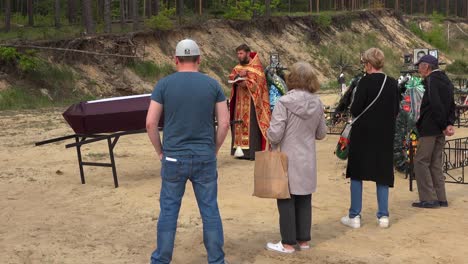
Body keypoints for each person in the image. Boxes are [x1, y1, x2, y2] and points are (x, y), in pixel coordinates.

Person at [146, 39, 230, 264]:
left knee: (169, 211)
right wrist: (214, 149)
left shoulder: (163, 85)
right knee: (210, 209)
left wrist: (160, 152)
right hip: (204, 155)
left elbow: (150, 124)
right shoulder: (213, 85)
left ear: (176, 60)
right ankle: (216, 260)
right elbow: (224, 124)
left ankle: (161, 260)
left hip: (173, 156)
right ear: (199, 60)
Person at [265, 62, 327, 253]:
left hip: (286, 157)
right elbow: (321, 133)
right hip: (307, 158)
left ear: (291, 78)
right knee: (304, 198)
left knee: (286, 199)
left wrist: (268, 133)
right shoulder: (317, 103)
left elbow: (275, 134)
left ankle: (287, 243)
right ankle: (303, 241)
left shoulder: (284, 102)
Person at [340, 48, 399, 229]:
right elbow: (396, 110)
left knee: (357, 174)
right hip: (384, 134)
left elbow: (356, 109)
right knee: (382, 174)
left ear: (368, 64)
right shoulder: (392, 83)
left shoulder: (364, 82)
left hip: (363, 134)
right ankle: (383, 217)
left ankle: (355, 216)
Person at [412, 55, 456, 208]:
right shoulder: (446, 79)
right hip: (440, 128)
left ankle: (428, 198)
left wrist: (444, 124)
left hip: (431, 127)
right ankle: (441, 198)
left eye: (419, 66)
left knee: (420, 161)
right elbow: (452, 103)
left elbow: (436, 104)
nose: (418, 69)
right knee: (435, 163)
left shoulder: (431, 80)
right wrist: (449, 123)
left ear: (427, 67)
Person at [229, 44, 271, 160]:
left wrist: (247, 81)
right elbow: (232, 77)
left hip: (252, 103)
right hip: (239, 102)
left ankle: (251, 152)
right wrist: (237, 77)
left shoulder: (256, 68)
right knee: (239, 124)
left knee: (251, 125)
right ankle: (239, 151)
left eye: (241, 53)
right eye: (238, 54)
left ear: (248, 53)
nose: (239, 56)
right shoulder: (238, 67)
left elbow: (259, 86)